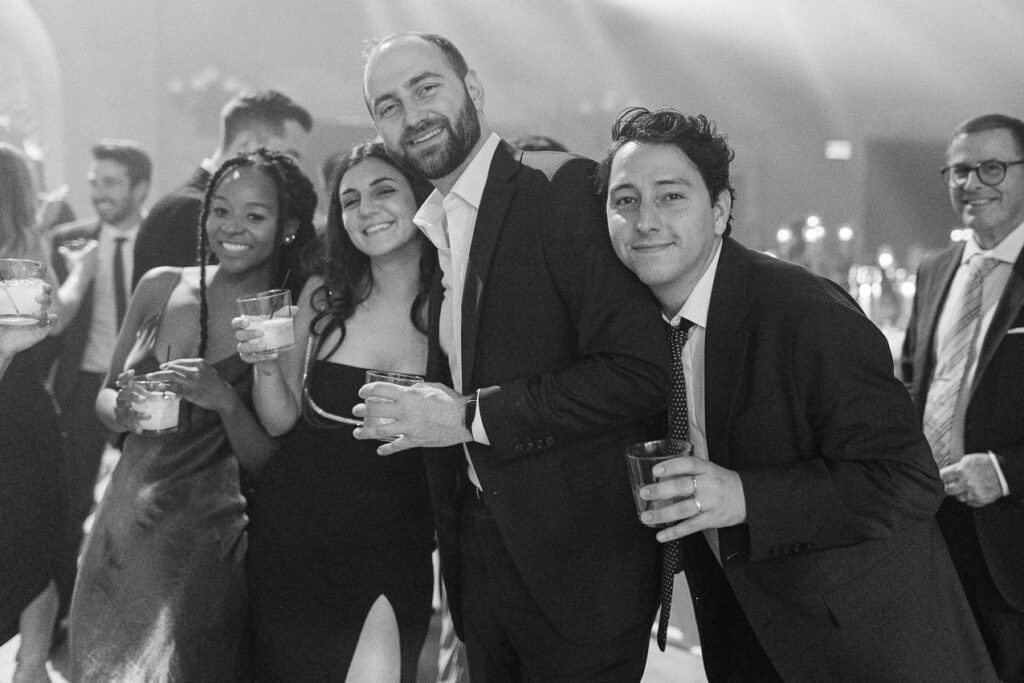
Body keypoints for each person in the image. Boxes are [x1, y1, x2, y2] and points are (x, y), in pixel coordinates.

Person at [598, 105, 997, 682]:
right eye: (625, 200)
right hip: (746, 629)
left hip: (862, 642)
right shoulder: (642, 324)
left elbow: (907, 480)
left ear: (720, 209)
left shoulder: (802, 311)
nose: (645, 220)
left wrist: (743, 497)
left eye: (671, 196)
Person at [357, 32, 668, 679]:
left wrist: (470, 414)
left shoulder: (561, 191)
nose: (412, 116)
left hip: (579, 574)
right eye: (388, 106)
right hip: (479, 566)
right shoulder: (435, 227)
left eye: (425, 88)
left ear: (472, 89)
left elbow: (641, 371)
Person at [68, 148, 316, 681]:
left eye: (255, 215)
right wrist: (124, 408)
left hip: (204, 550)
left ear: (288, 226)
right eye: (220, 210)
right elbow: (105, 400)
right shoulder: (160, 284)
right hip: (120, 535)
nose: (232, 227)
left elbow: (266, 454)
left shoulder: (285, 314)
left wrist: (223, 399)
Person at [236, 140, 436, 682]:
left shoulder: (459, 303)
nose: (365, 209)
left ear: (422, 195)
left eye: (384, 190)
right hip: (294, 536)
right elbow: (280, 419)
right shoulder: (324, 295)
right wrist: (264, 364)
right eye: (349, 200)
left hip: (396, 541)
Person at [901, 113, 1024, 681]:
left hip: (1011, 541)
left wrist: (1004, 472)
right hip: (929, 527)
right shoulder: (934, 270)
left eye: (992, 168)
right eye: (959, 171)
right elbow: (910, 385)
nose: (972, 184)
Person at [48, 139, 152, 617]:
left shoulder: (161, 239)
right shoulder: (68, 240)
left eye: (111, 183)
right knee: (67, 505)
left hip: (141, 387)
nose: (98, 193)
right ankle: (63, 615)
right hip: (79, 387)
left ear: (141, 188)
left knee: (137, 509)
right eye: (94, 184)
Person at [0, 142, 92, 683]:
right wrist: (81, 271)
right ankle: (31, 666)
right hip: (26, 408)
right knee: (36, 542)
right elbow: (55, 318)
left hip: (17, 407)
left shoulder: (28, 240)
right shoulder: (25, 244)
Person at [132, 89, 312, 287]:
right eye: (289, 156)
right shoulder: (189, 210)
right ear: (246, 144)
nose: (295, 168)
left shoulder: (191, 204)